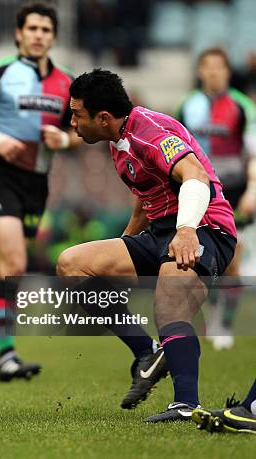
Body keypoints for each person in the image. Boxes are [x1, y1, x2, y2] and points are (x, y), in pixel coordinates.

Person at [58, 69, 237, 422]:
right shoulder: (119, 139)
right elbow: (147, 195)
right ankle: (147, 352)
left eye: (77, 114)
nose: (73, 122)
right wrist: (126, 244)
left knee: (170, 304)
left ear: (103, 118)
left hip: (205, 227)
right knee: (71, 265)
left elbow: (195, 176)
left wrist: (186, 231)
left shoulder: (151, 132)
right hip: (159, 233)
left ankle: (186, 404)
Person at [0, 1, 80, 382]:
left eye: (46, 30)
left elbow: (83, 130)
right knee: (16, 266)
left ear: (53, 36)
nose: (39, 35)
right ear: (19, 33)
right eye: (33, 28)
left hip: (36, 184)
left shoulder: (67, 83)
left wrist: (65, 138)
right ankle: (7, 356)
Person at [175, 47, 256, 350]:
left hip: (234, 190)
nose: (213, 72)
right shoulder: (188, 106)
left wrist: (252, 188)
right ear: (199, 71)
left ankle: (224, 322)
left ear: (227, 71)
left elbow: (253, 152)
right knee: (202, 258)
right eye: (207, 66)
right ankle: (210, 314)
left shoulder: (242, 105)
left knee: (233, 260)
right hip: (200, 189)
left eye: (218, 67)